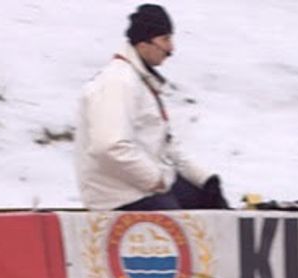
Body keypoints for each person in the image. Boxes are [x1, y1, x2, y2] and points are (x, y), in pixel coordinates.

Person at [75, 4, 229, 211]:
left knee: (211, 206)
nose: (171, 49)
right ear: (143, 42)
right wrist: (156, 180)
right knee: (186, 228)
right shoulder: (118, 82)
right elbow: (110, 147)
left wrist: (205, 180)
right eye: (165, 39)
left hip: (142, 186)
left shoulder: (140, 82)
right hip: (119, 197)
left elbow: (164, 146)